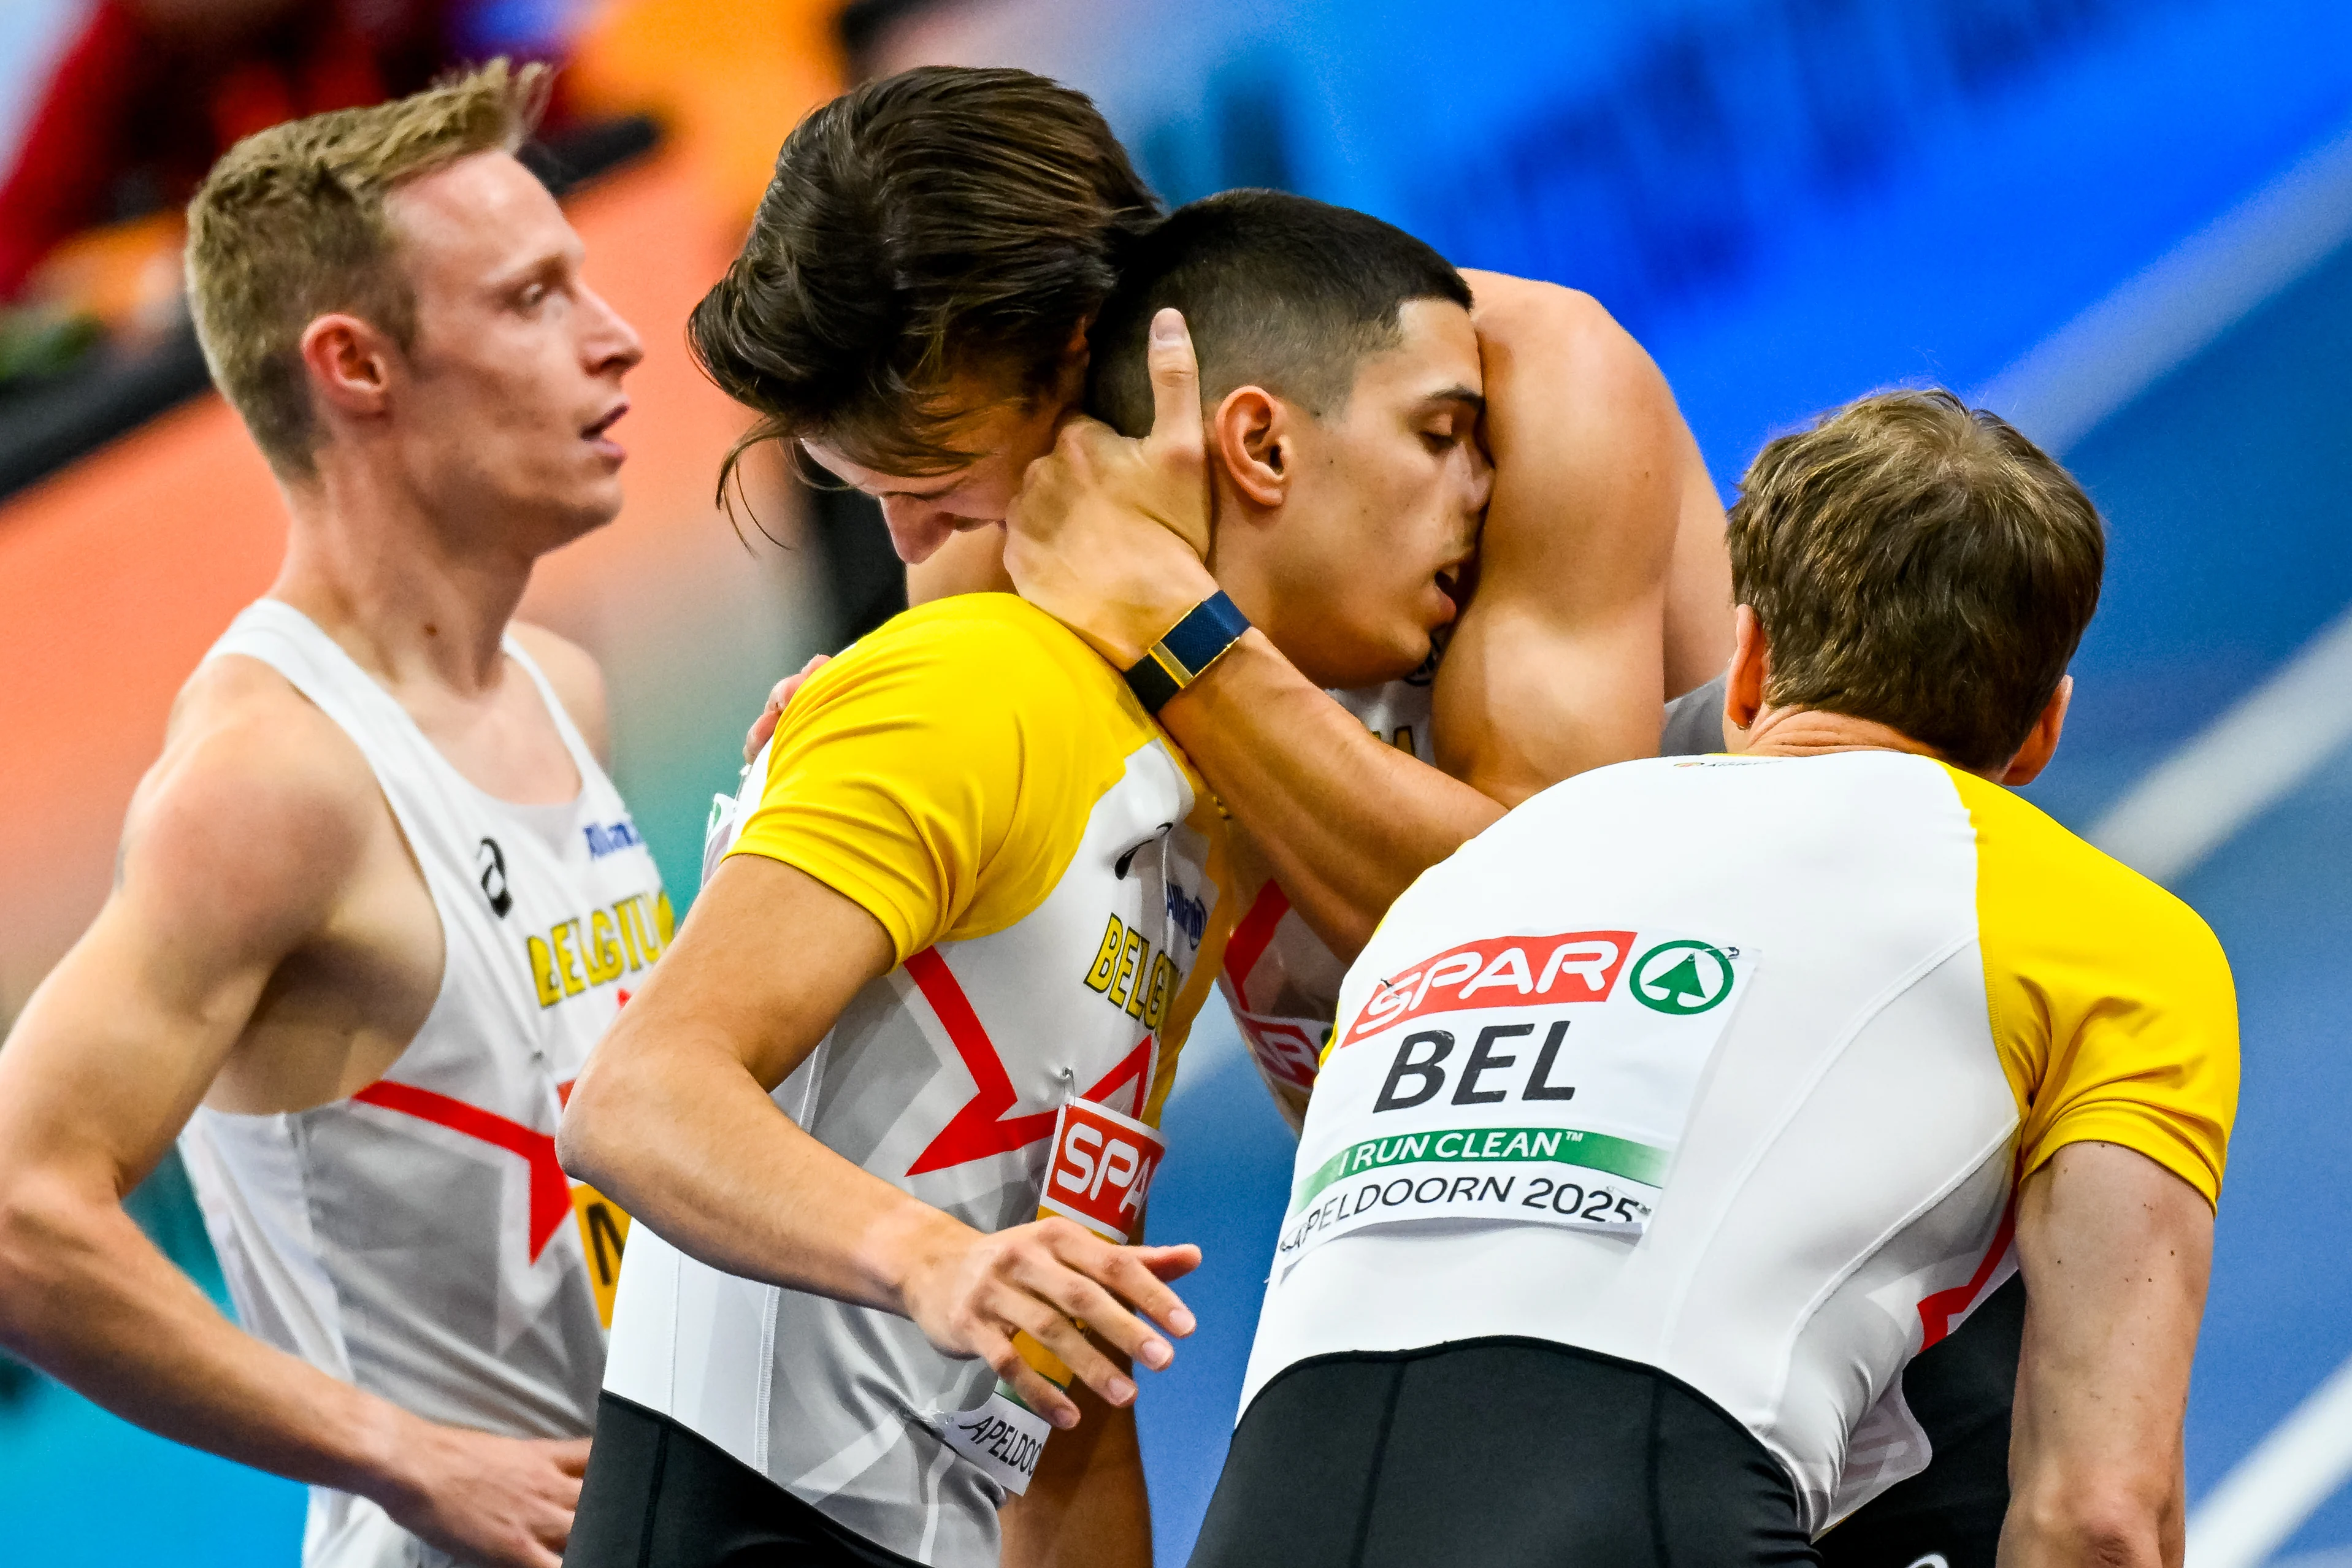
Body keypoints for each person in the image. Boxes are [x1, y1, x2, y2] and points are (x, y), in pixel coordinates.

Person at [714, 66, 2028, 1566]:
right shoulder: (996, 563)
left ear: (1097, 361)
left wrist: (1178, 628)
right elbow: (1046, 1181)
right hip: (1481, 1316)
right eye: (871, 496)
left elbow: (1563, 932)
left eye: (943, 482)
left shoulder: (1515, 403)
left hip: (1829, 1305)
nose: (923, 545)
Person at [554, 193, 1495, 1568]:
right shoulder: (966, 688)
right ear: (1248, 434)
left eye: (926, 481)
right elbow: (636, 1101)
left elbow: (1067, 1383)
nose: (1479, 492)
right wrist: (933, 1259)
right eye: (1440, 438)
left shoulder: (1191, 794)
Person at [1181, 389, 2235, 1568]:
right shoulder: (2111, 933)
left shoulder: (1464, 878)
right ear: (2041, 732)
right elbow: (2097, 1517)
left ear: (1745, 666)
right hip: (1651, 1515)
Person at [0, 63, 652, 1568]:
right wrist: (412, 1462)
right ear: (357, 366)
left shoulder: (558, 688)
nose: (614, 340)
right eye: (534, 299)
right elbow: (26, 1217)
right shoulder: (271, 781)